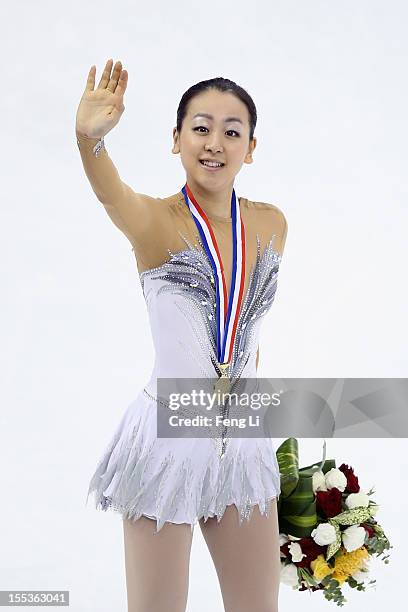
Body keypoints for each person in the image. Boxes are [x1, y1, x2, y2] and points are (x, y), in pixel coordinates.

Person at [76, 58, 288, 612]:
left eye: (231, 131)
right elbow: (112, 195)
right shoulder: (156, 222)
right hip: (166, 443)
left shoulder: (271, 225)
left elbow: (247, 326)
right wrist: (89, 142)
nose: (215, 142)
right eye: (200, 127)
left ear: (251, 146)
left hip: (240, 440)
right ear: (176, 140)